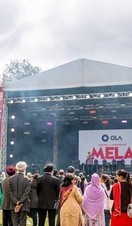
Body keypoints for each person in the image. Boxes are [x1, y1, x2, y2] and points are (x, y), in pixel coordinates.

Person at [8, 161, 31, 226]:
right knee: (22, 223)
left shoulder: (10, 179)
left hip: (13, 204)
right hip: (24, 205)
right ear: (25, 168)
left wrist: (16, 202)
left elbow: (10, 192)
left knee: (14, 223)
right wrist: (20, 202)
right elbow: (26, 193)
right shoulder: (28, 179)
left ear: (16, 168)